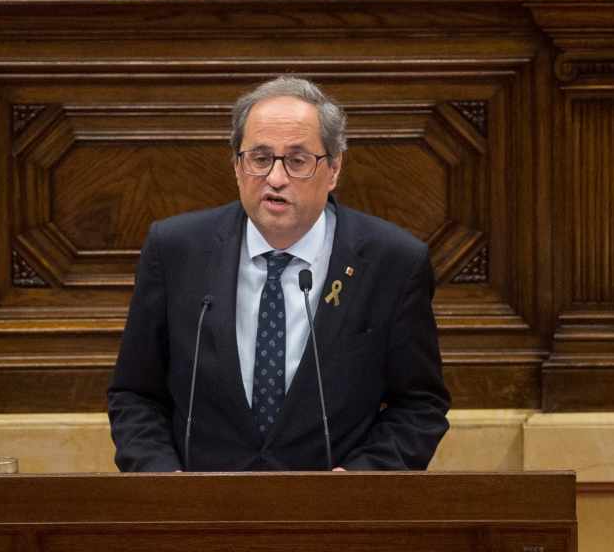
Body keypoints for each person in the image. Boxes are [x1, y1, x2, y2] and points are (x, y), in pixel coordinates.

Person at [108, 75, 449, 471]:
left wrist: (361, 481)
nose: (275, 178)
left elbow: (418, 405)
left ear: (334, 169)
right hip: (200, 512)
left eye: (298, 160)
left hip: (332, 517)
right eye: (260, 158)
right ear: (237, 165)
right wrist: (164, 480)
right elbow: (135, 395)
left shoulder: (393, 261)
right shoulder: (175, 249)